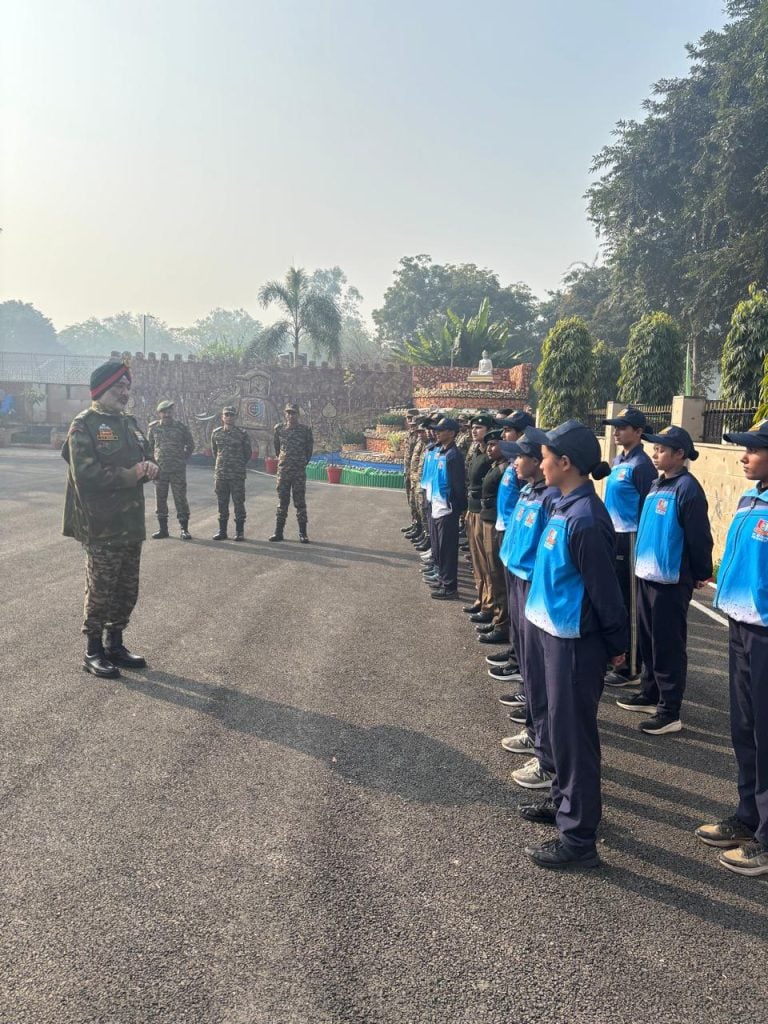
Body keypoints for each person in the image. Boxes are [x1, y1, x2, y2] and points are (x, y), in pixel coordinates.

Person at [521, 421, 627, 869]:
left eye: (545, 457)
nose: (539, 464)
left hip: (575, 644)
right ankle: (563, 803)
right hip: (553, 634)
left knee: (575, 740)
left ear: (565, 464)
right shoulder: (564, 507)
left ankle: (579, 841)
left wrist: (616, 645)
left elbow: (606, 592)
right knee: (561, 737)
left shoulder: (585, 519)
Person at [697, 419, 768, 877]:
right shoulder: (751, 497)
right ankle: (748, 816)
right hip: (740, 626)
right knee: (744, 729)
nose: (743, 456)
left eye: (753, 449)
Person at [62, 358, 159, 678]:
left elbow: (143, 456)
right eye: (119, 386)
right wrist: (131, 475)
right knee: (101, 587)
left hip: (130, 522)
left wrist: (149, 467)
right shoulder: (84, 425)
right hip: (101, 523)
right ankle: (93, 651)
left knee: (126, 588)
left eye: (127, 387)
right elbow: (86, 475)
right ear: (102, 388)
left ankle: (115, 644)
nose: (125, 392)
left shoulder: (129, 422)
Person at [616, 426, 713, 735]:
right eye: (654, 449)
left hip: (670, 580)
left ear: (680, 454)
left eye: (660, 450)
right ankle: (650, 692)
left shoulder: (688, 488)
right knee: (647, 638)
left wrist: (700, 572)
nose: (655, 454)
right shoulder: (659, 484)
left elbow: (699, 537)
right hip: (646, 574)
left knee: (668, 643)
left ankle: (669, 710)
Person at [497, 430, 560, 783]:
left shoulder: (551, 498)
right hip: (516, 577)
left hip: (532, 585)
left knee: (538, 673)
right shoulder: (529, 490)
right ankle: (535, 734)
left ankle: (546, 754)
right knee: (527, 664)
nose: (514, 462)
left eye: (520, 456)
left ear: (538, 461)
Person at [600, 407, 657, 685]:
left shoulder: (642, 465)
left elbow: (647, 506)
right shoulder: (619, 460)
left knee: (630, 602)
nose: (617, 431)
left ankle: (632, 667)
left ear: (638, 432)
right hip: (614, 535)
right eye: (616, 427)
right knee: (617, 599)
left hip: (631, 536)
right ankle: (619, 656)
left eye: (623, 427)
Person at [426, 417, 467, 599]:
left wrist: (457, 509)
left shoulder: (454, 455)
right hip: (438, 505)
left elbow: (458, 486)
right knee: (440, 547)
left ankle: (450, 587)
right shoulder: (442, 452)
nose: (437, 432)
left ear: (451, 433)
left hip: (447, 509)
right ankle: (443, 580)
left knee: (448, 549)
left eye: (441, 430)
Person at [147, 399, 195, 540]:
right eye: (164, 412)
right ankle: (163, 529)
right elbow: (149, 447)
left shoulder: (181, 427)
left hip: (177, 469)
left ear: (173, 412)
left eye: (169, 411)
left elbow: (190, 445)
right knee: (160, 500)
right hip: (159, 470)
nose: (167, 414)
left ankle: (184, 529)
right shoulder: (153, 427)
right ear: (159, 413)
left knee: (180, 499)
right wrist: (152, 463)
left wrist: (182, 458)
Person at [463, 415, 494, 618]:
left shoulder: (491, 456)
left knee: (486, 562)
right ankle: (481, 597)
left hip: (484, 511)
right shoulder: (475, 452)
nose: (475, 431)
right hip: (472, 508)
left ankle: (489, 605)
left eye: (479, 427)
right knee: (476, 559)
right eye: (473, 428)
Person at [270, 404, 314, 543]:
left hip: (298, 472)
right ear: (285, 414)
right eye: (288, 413)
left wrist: (300, 462)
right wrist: (284, 460)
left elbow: (309, 451)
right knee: (282, 501)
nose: (291, 415)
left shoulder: (305, 431)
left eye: (293, 413)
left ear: (297, 415)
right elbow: (277, 448)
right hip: (283, 471)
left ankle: (303, 533)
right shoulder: (279, 429)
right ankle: (278, 532)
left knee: (300, 502)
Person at [211, 406, 252, 541]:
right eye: (226, 415)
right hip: (221, 475)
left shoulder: (242, 434)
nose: (229, 417)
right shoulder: (216, 433)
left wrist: (237, 464)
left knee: (239, 503)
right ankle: (222, 531)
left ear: (235, 417)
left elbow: (248, 453)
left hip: (237, 475)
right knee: (222, 503)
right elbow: (215, 452)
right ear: (222, 417)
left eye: (231, 415)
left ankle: (239, 532)